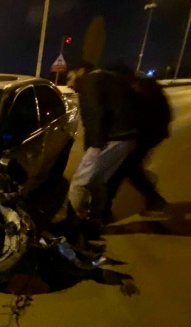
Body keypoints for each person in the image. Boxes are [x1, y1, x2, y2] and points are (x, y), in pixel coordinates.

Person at [64, 62, 140, 239]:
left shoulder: (90, 82)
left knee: (79, 183)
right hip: (127, 136)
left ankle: (71, 226)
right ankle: (94, 221)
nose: (68, 84)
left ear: (79, 72)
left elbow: (94, 114)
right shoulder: (105, 77)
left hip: (112, 138)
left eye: (69, 77)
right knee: (98, 180)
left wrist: (94, 145)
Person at [104, 73, 171, 221]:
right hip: (148, 137)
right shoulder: (151, 92)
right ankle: (155, 202)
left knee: (121, 171)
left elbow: (136, 119)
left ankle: (105, 211)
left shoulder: (141, 93)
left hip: (143, 138)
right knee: (130, 170)